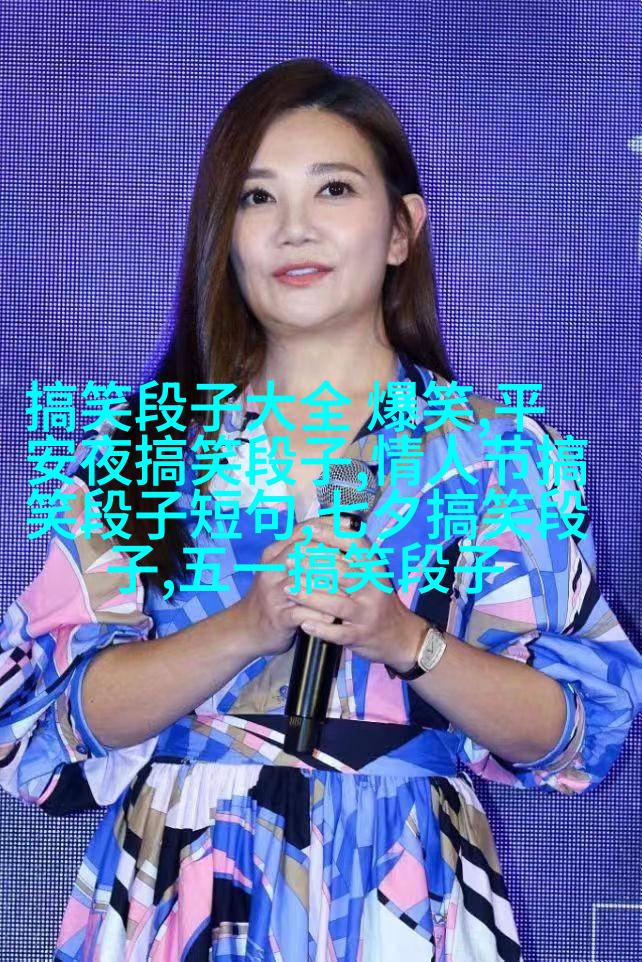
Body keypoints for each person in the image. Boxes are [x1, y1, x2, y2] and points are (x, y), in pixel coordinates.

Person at [1, 58, 641, 962]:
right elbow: (37, 721)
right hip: (182, 889)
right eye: (257, 198)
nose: (294, 227)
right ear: (223, 235)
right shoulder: (144, 449)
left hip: (404, 888)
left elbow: (577, 732)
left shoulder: (497, 455)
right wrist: (243, 628)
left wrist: (406, 640)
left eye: (333, 189)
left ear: (402, 229)